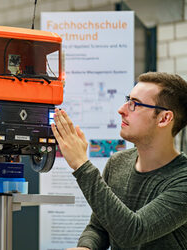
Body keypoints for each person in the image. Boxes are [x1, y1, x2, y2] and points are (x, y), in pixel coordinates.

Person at [51, 72, 187, 250]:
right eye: (127, 100)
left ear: (164, 118)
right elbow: (99, 227)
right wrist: (86, 247)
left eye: (135, 104)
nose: (121, 109)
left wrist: (81, 165)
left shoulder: (182, 180)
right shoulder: (117, 162)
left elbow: (133, 232)